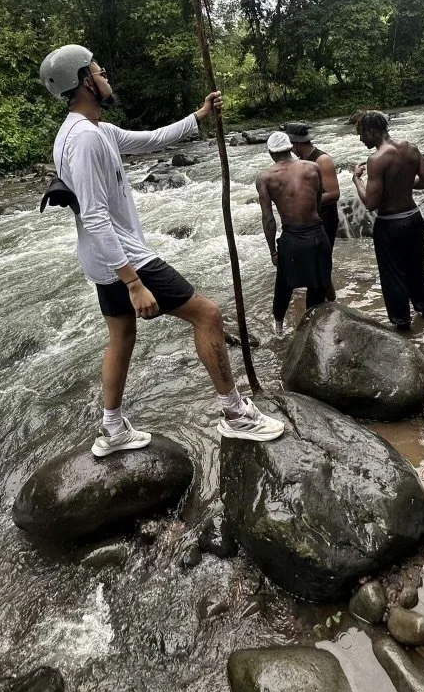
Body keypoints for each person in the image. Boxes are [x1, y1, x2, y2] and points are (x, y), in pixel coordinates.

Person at [40, 44, 284, 456]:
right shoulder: (84, 140)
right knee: (207, 314)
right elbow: (96, 215)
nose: (107, 78)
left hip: (103, 259)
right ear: (85, 81)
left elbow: (153, 139)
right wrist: (133, 281)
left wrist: (200, 116)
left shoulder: (92, 131)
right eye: (100, 72)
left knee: (121, 337)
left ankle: (113, 428)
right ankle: (236, 415)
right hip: (123, 256)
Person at [352, 111, 424, 331]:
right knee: (417, 267)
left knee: (393, 275)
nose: (361, 139)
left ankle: (402, 324)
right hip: (413, 218)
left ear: (372, 132)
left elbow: (370, 203)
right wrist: (404, 183)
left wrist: (356, 180)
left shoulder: (376, 159)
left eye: (361, 134)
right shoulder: (411, 147)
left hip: (390, 223)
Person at [255, 130, 331, 336]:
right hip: (317, 235)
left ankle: (278, 328)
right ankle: (311, 330)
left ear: (271, 153)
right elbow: (317, 201)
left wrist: (273, 251)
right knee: (317, 285)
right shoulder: (313, 167)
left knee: (284, 283)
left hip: (292, 238)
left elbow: (268, 219)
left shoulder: (265, 178)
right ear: (290, 148)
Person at [284, 122, 341, 299]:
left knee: (321, 264)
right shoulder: (299, 162)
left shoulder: (322, 160)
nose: (290, 150)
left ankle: (324, 303)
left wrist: (305, 201)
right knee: (318, 265)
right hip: (309, 220)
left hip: (325, 218)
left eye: (291, 146)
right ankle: (332, 301)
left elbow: (334, 193)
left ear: (296, 143)